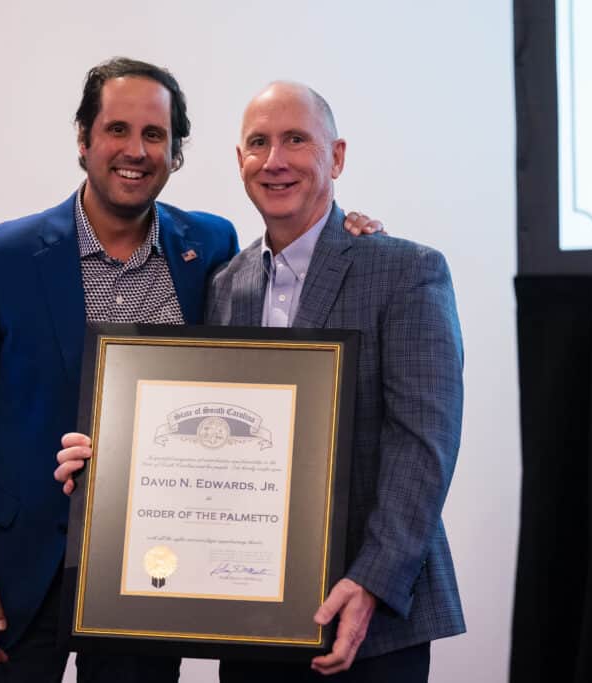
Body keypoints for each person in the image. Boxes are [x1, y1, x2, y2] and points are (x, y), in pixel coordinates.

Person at [0, 58, 382, 683]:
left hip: (151, 575)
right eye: (117, 129)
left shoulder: (210, 247)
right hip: (16, 570)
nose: (135, 151)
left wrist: (351, 231)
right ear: (83, 139)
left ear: (175, 151)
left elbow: (267, 334)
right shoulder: (0, 257)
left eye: (155, 135)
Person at [57, 81, 465, 681]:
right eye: (258, 143)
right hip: (251, 623)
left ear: (336, 157)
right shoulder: (226, 283)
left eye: (296, 140)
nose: (275, 161)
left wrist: (373, 581)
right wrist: (108, 457)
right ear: (240, 160)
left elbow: (424, 446)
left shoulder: (406, 270)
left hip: (372, 623)